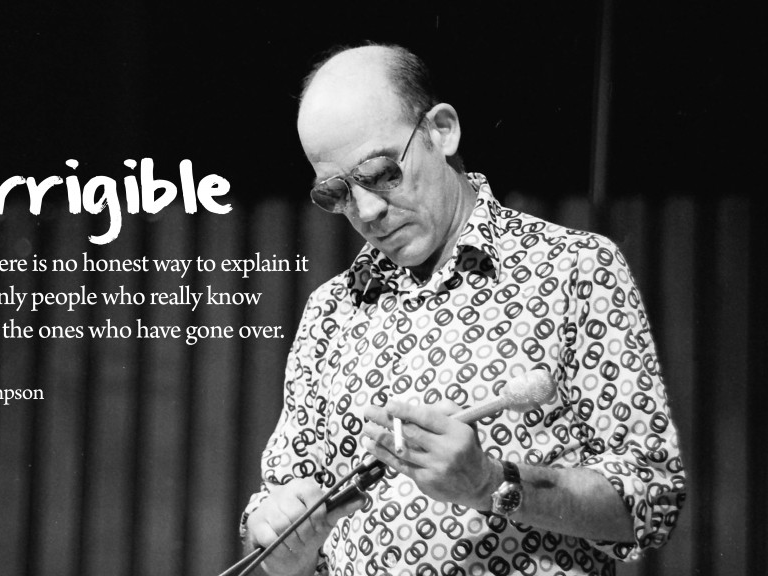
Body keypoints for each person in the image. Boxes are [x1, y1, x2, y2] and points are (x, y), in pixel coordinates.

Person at [241, 44, 686, 576]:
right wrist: (277, 541)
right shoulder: (330, 312)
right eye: (336, 193)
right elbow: (277, 519)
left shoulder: (574, 269)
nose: (368, 210)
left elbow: (650, 500)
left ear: (442, 131)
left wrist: (489, 483)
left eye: (381, 172)